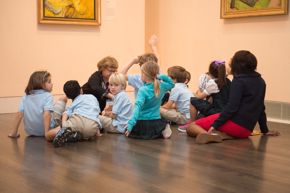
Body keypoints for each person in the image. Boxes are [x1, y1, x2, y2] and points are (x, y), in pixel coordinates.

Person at [186, 50, 280, 144]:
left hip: (235, 124)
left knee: (191, 127)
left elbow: (232, 107)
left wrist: (215, 124)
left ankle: (209, 135)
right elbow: (260, 107)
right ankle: (221, 135)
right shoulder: (261, 81)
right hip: (247, 131)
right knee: (221, 126)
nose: (230, 61)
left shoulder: (238, 81)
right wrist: (265, 130)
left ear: (237, 65)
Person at [125, 61, 175, 139]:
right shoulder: (161, 86)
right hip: (156, 121)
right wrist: (161, 76)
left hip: (142, 122)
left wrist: (130, 125)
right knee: (162, 122)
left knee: (129, 128)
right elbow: (172, 84)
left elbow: (137, 107)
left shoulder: (143, 90)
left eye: (141, 73)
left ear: (145, 74)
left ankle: (162, 129)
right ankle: (163, 128)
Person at [8, 71, 62, 140]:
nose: (52, 84)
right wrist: (47, 133)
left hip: (30, 132)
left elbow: (19, 114)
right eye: (49, 82)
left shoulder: (26, 96)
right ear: (41, 84)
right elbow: (47, 114)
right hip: (46, 130)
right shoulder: (48, 96)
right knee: (61, 109)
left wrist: (14, 133)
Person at [52, 80, 102, 147]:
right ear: (81, 90)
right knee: (85, 133)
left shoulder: (74, 103)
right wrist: (97, 132)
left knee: (49, 135)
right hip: (92, 128)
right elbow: (96, 113)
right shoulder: (92, 97)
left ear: (68, 96)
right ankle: (76, 136)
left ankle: (68, 133)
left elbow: (66, 113)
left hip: (78, 121)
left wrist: (64, 124)